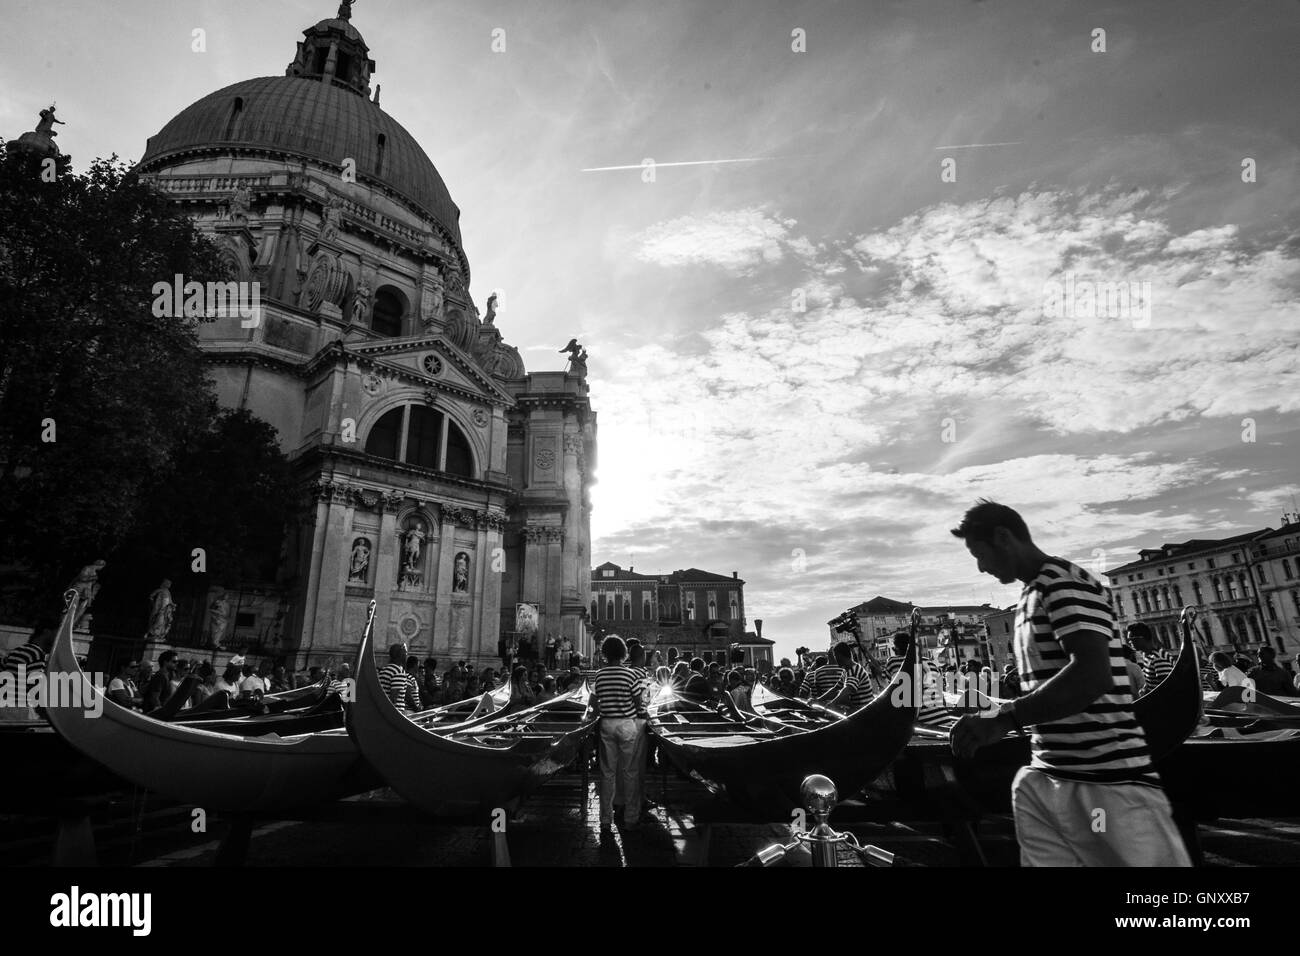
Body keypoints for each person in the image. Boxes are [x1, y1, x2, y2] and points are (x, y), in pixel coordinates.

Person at [949, 499, 1190, 866]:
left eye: (980, 555)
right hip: (1045, 778)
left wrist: (1004, 719)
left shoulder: (1063, 584)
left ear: (1004, 537)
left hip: (1108, 783)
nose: (981, 567)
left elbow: (1092, 675)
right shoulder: (1030, 596)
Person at [591, 635, 646, 833]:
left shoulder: (599, 675)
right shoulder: (630, 675)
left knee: (607, 773)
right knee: (630, 772)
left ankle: (606, 819)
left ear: (605, 653)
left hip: (607, 724)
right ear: (623, 653)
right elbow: (639, 703)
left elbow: (593, 704)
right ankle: (631, 817)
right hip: (627, 724)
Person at [1126, 622, 1173, 694]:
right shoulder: (1147, 656)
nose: (1129, 642)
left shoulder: (1158, 658)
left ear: (1141, 638)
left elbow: (1167, 689)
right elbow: (1151, 683)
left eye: (1131, 638)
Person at [379, 642, 422, 713]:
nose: (406, 655)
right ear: (401, 655)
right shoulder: (399, 671)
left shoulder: (384, 669)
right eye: (406, 653)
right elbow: (393, 699)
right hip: (395, 713)